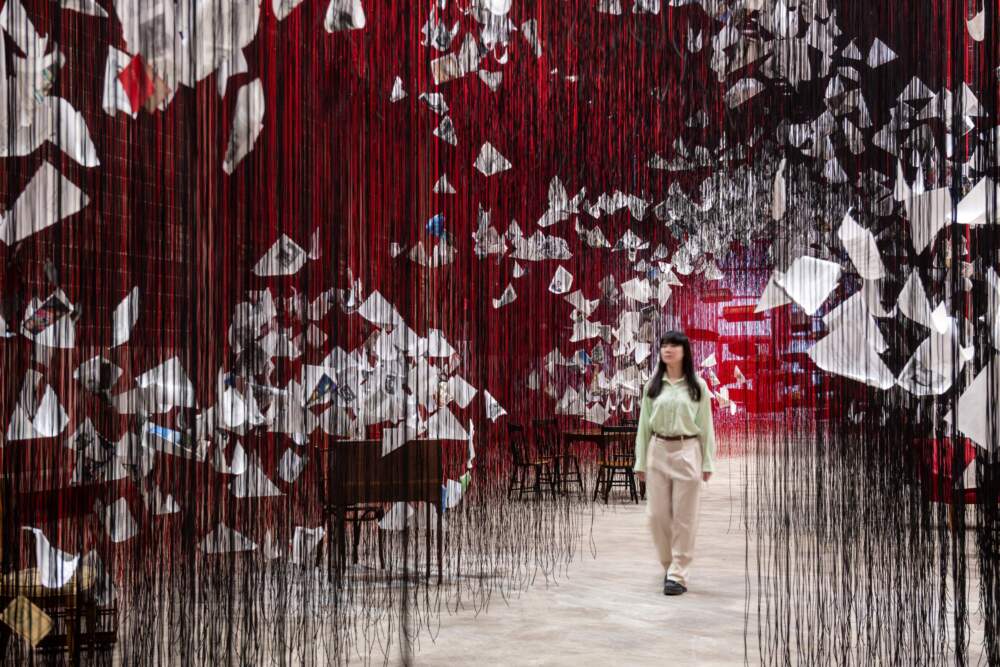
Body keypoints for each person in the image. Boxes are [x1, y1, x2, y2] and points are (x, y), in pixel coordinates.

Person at [634, 331, 716, 596]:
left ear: (684, 351)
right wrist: (640, 462)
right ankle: (670, 566)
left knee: (684, 517)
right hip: (658, 450)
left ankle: (678, 573)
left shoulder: (697, 386)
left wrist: (707, 462)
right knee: (656, 516)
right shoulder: (652, 386)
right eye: (664, 345)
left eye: (673, 345)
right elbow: (643, 427)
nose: (667, 349)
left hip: (687, 450)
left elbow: (706, 426)